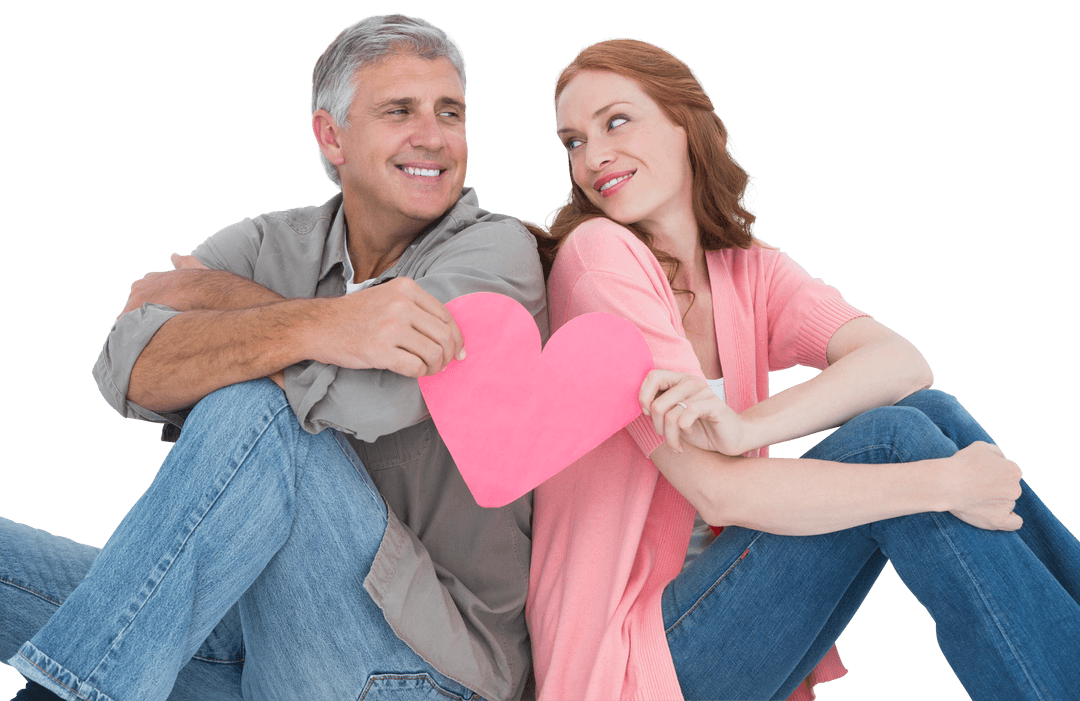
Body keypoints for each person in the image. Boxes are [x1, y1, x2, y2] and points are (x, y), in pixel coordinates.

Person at [1, 13, 545, 701]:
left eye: (450, 111)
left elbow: (377, 395)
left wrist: (216, 302)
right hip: (266, 646)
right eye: (400, 110)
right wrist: (331, 324)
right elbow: (128, 364)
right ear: (331, 134)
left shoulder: (495, 255)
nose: (433, 136)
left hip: (424, 673)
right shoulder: (271, 242)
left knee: (257, 407)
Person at [525, 38, 1080, 701]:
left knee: (928, 416)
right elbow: (719, 493)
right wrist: (942, 482)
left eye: (615, 121)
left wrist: (744, 424)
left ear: (686, 121)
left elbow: (905, 364)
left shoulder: (746, 268)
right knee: (895, 444)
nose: (592, 156)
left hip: (717, 624)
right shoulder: (598, 259)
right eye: (572, 141)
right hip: (630, 666)